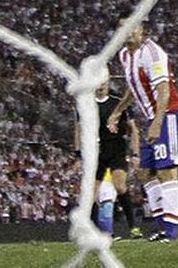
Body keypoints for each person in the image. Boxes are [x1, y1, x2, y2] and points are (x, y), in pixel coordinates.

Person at [106, 21, 178, 242]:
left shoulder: (152, 53)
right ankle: (161, 226)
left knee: (167, 171)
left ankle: (170, 232)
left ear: (142, 29)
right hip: (155, 117)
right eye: (123, 27)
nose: (129, 30)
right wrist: (117, 111)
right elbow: (133, 87)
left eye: (134, 26)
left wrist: (157, 122)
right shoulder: (125, 55)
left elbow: (164, 90)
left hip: (169, 114)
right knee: (144, 173)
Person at [76, 79, 140, 238]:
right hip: (96, 152)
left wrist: (135, 154)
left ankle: (133, 227)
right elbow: (78, 130)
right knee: (92, 193)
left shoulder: (119, 104)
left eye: (103, 81)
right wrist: (78, 154)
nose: (100, 84)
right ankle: (92, 232)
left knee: (119, 186)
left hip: (116, 149)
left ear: (108, 82)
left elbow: (134, 130)